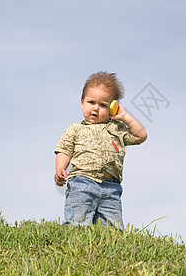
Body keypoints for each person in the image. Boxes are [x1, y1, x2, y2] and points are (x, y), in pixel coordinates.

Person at [54, 71, 147, 230]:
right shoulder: (75, 129)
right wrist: (60, 168)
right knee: (78, 223)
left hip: (112, 189)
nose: (96, 108)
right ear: (82, 103)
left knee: (113, 231)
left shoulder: (117, 129)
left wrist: (125, 117)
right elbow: (65, 150)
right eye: (91, 102)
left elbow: (141, 136)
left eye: (103, 105)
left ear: (113, 108)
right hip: (82, 182)